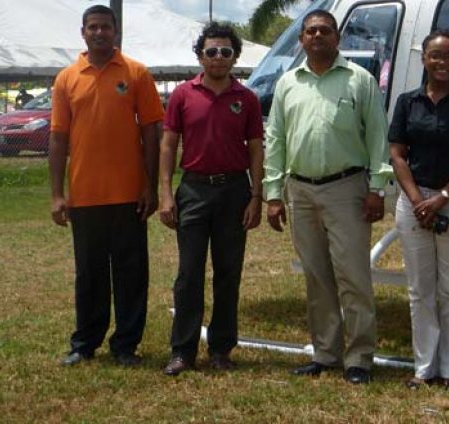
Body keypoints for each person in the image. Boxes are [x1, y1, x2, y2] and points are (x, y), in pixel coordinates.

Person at [264, 10, 391, 385]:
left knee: (353, 275)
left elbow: (377, 138)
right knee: (317, 276)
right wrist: (273, 194)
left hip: (346, 189)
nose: (317, 36)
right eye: (310, 31)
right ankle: (326, 352)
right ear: (301, 39)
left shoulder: (360, 80)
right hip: (299, 190)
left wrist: (377, 188)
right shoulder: (288, 83)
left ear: (338, 38)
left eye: (325, 30)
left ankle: (359, 358)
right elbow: (276, 139)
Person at [49, 5, 163, 367]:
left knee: (131, 273)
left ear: (116, 31)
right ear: (83, 32)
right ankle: (85, 343)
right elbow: (57, 138)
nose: (99, 33)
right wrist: (56, 194)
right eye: (93, 27)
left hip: (130, 194)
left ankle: (126, 345)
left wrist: (151, 186)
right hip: (85, 195)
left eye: (106, 27)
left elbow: (152, 131)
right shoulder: (67, 78)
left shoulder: (136, 73)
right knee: (90, 274)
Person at [159, 23, 264, 376]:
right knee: (189, 274)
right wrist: (165, 193)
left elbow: (255, 150)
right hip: (193, 190)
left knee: (227, 273)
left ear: (235, 56)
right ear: (200, 55)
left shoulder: (246, 98)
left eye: (225, 52)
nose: (218, 58)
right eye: (211, 51)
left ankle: (221, 349)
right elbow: (169, 144)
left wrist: (256, 196)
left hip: (234, 191)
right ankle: (182, 351)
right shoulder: (182, 95)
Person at [389, 30, 449, 389]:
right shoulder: (407, 102)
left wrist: (442, 197)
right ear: (424, 59)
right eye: (435, 55)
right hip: (414, 203)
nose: (442, 62)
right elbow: (398, 154)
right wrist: (419, 201)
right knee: (420, 289)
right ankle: (424, 367)